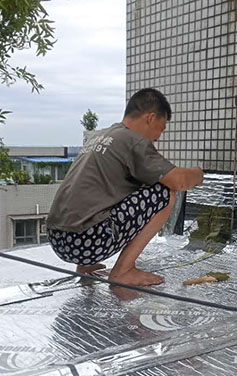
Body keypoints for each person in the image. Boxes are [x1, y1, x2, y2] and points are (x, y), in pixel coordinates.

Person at [46, 88, 204, 286]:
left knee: (127, 190)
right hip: (85, 242)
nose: (158, 138)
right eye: (161, 128)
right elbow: (179, 182)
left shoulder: (101, 136)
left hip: (57, 238)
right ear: (150, 118)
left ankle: (85, 266)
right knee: (165, 193)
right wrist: (198, 173)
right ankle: (124, 270)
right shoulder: (133, 141)